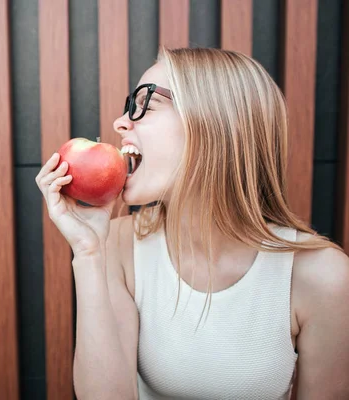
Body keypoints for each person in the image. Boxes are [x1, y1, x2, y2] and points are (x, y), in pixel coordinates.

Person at [35, 47, 349, 399]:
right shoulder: (119, 245)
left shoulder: (325, 277)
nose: (120, 123)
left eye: (145, 104)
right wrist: (88, 253)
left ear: (215, 122)